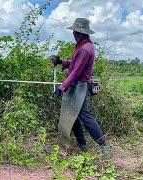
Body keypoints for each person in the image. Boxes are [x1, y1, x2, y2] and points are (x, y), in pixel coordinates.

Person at [51, 18, 111, 158]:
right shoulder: (83, 46)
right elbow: (75, 64)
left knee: (84, 116)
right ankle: (82, 145)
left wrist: (61, 88)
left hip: (80, 86)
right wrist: (61, 62)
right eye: (73, 31)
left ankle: (104, 148)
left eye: (75, 32)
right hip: (77, 85)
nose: (73, 34)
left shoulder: (85, 49)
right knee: (74, 114)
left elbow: (76, 71)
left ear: (81, 33)